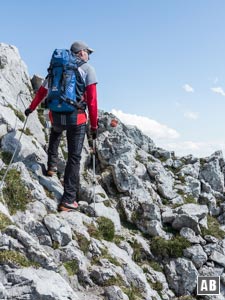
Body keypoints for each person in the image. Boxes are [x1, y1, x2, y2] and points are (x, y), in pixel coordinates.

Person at [25, 41, 98, 212]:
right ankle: (68, 200)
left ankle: (51, 167)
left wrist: (31, 108)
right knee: (74, 157)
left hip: (56, 115)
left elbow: (43, 91)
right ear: (80, 53)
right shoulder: (87, 69)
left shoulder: (56, 68)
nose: (89, 55)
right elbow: (93, 101)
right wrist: (94, 126)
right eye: (88, 52)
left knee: (55, 134)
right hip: (76, 118)